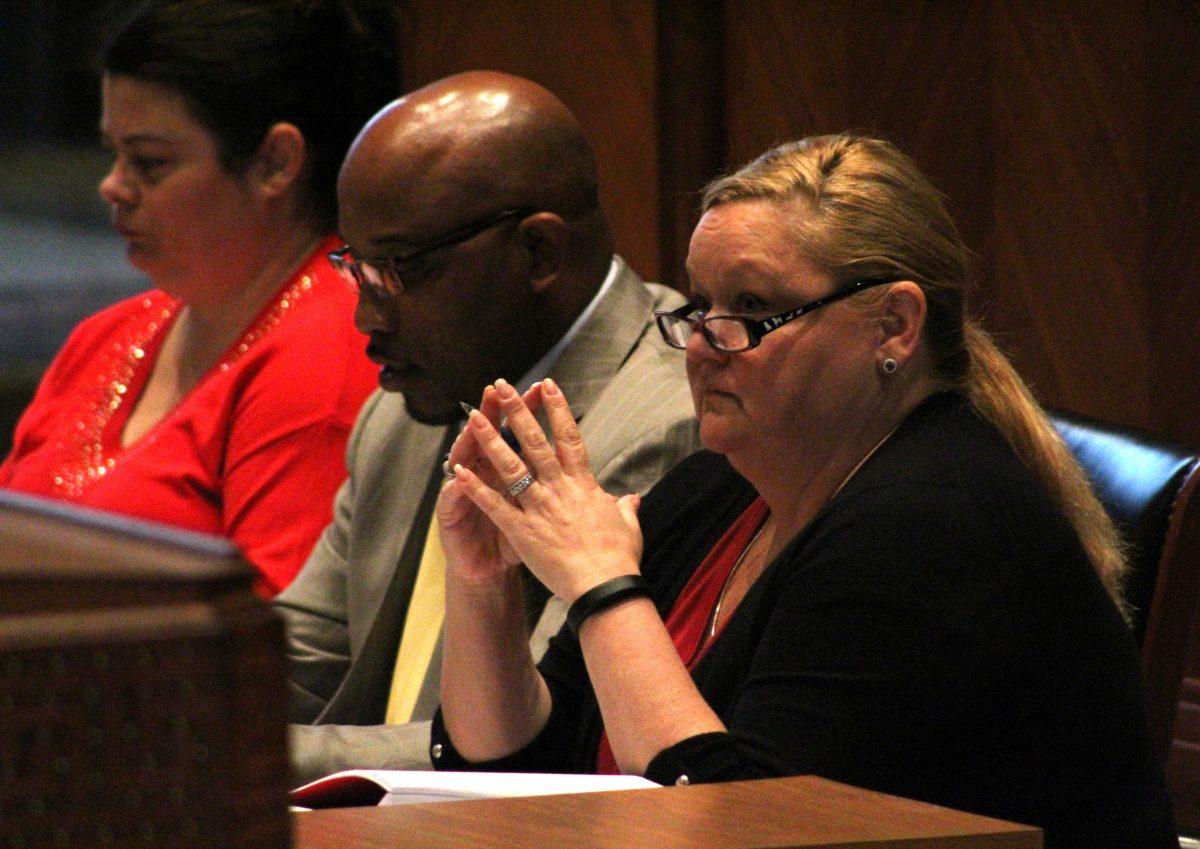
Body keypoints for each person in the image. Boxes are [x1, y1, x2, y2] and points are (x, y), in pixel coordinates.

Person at [431, 135, 1178, 848]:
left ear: (893, 326)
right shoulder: (713, 491)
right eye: (700, 305)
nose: (703, 344)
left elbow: (748, 826)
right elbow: (523, 775)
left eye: (753, 309)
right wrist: (484, 584)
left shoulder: (934, 526)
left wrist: (602, 585)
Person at [276, 72, 700, 783]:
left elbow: (517, 740)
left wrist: (223, 757)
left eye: (400, 271)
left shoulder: (666, 424)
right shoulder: (412, 404)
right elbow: (293, 659)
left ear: (538, 253)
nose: (367, 319)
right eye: (358, 268)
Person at [0, 0, 397, 595]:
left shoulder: (328, 355)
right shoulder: (105, 335)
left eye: (150, 162)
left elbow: (274, 653)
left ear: (275, 163)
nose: (113, 184)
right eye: (114, 153)